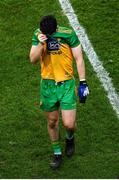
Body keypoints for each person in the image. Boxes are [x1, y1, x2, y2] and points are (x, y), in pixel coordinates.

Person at [29, 15, 89, 169]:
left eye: (49, 34)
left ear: (55, 29)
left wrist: (83, 82)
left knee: (69, 124)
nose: (47, 36)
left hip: (66, 85)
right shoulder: (38, 34)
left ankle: (70, 137)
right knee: (52, 121)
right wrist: (41, 43)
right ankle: (57, 154)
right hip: (48, 86)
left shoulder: (68, 33)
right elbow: (33, 59)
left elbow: (79, 58)